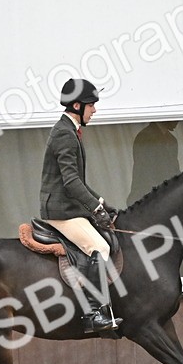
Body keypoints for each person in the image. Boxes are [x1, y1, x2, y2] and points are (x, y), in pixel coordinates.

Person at [40, 78, 122, 334]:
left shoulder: (69, 130)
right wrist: (95, 210)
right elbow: (71, 182)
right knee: (99, 246)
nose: (94, 110)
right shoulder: (64, 133)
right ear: (77, 105)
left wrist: (103, 205)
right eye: (91, 105)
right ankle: (93, 313)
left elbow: (80, 183)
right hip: (60, 211)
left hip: (67, 206)